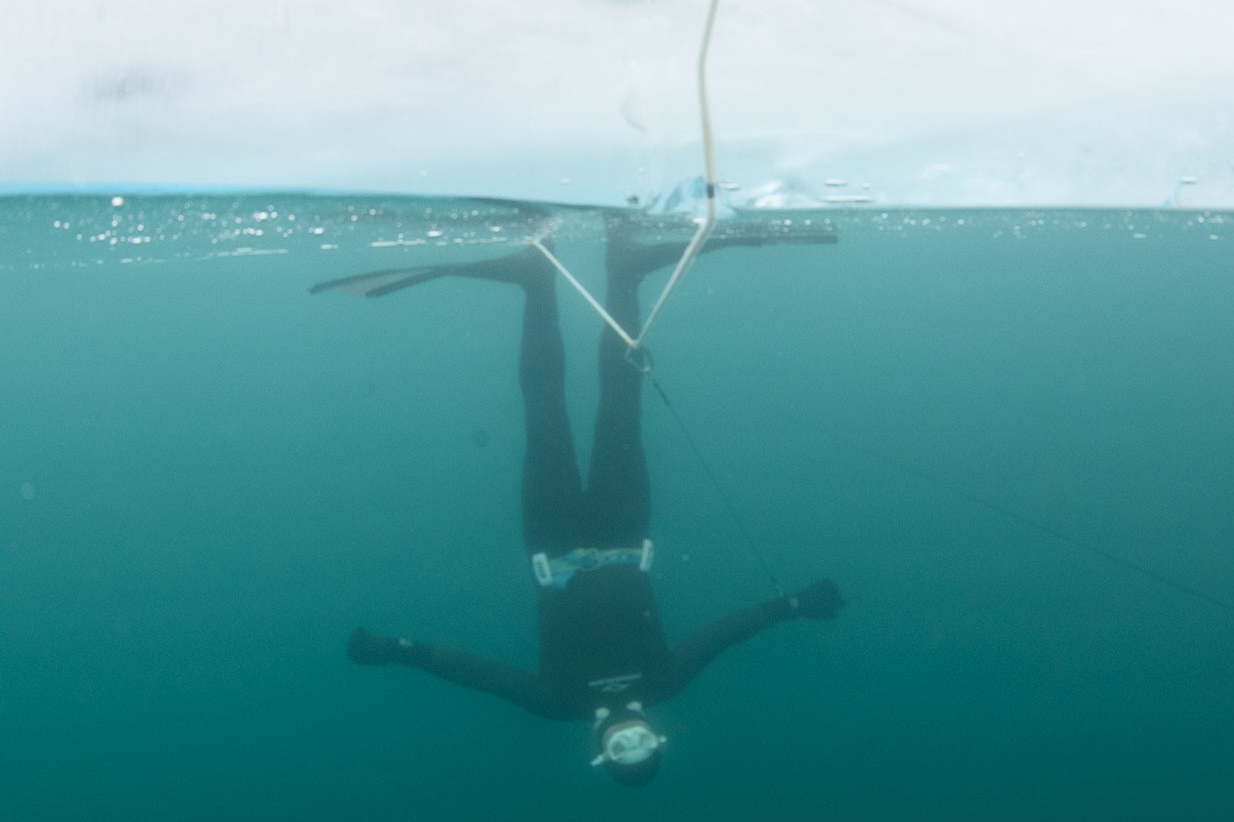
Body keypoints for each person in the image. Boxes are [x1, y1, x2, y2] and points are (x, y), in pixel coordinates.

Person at [316, 223, 844, 785]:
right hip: (625, 527)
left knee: (544, 415)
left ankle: (536, 280)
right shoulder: (665, 682)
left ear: (602, 751)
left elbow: (476, 673)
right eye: (644, 744)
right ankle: (625, 268)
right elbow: (726, 633)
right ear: (657, 737)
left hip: (552, 535)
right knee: (622, 405)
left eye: (623, 749)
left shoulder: (556, 702)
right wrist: (794, 608)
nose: (630, 735)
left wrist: (398, 650)